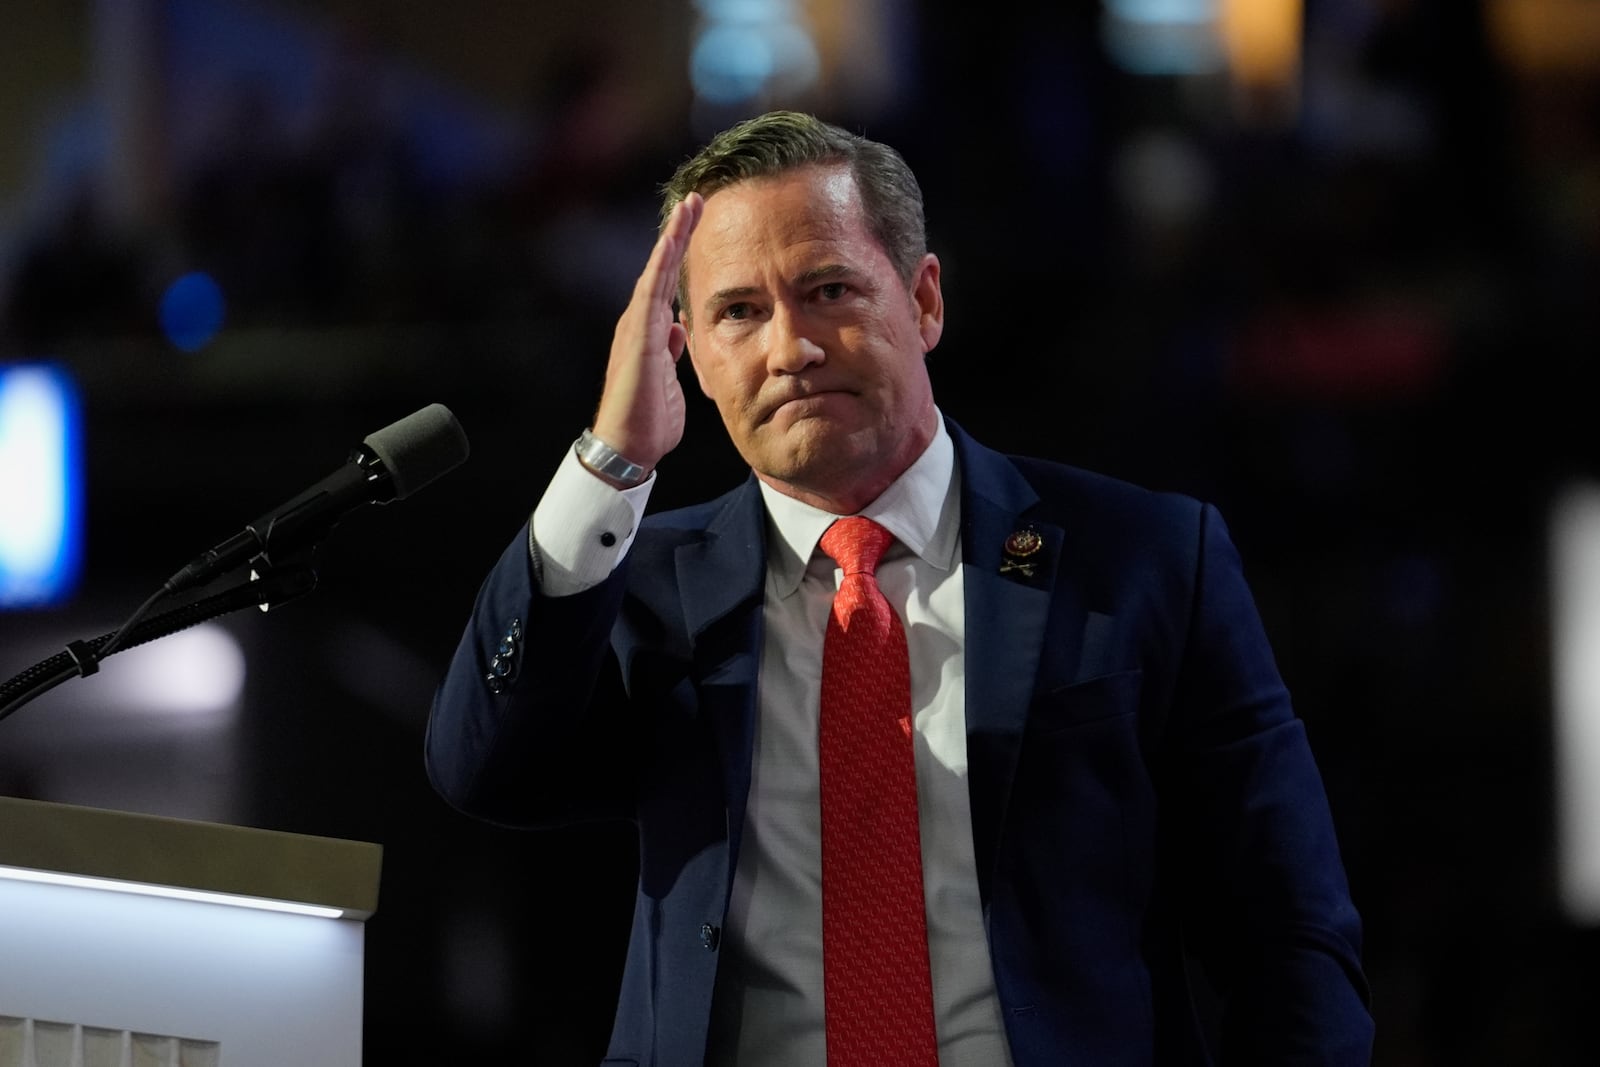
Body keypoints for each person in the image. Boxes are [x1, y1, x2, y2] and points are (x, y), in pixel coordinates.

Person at [425, 110, 1373, 1066]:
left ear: (923, 301)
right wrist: (609, 462)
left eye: (828, 288)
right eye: (737, 312)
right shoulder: (638, 588)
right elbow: (479, 765)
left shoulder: (1147, 557)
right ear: (691, 354)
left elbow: (1288, 931)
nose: (789, 347)